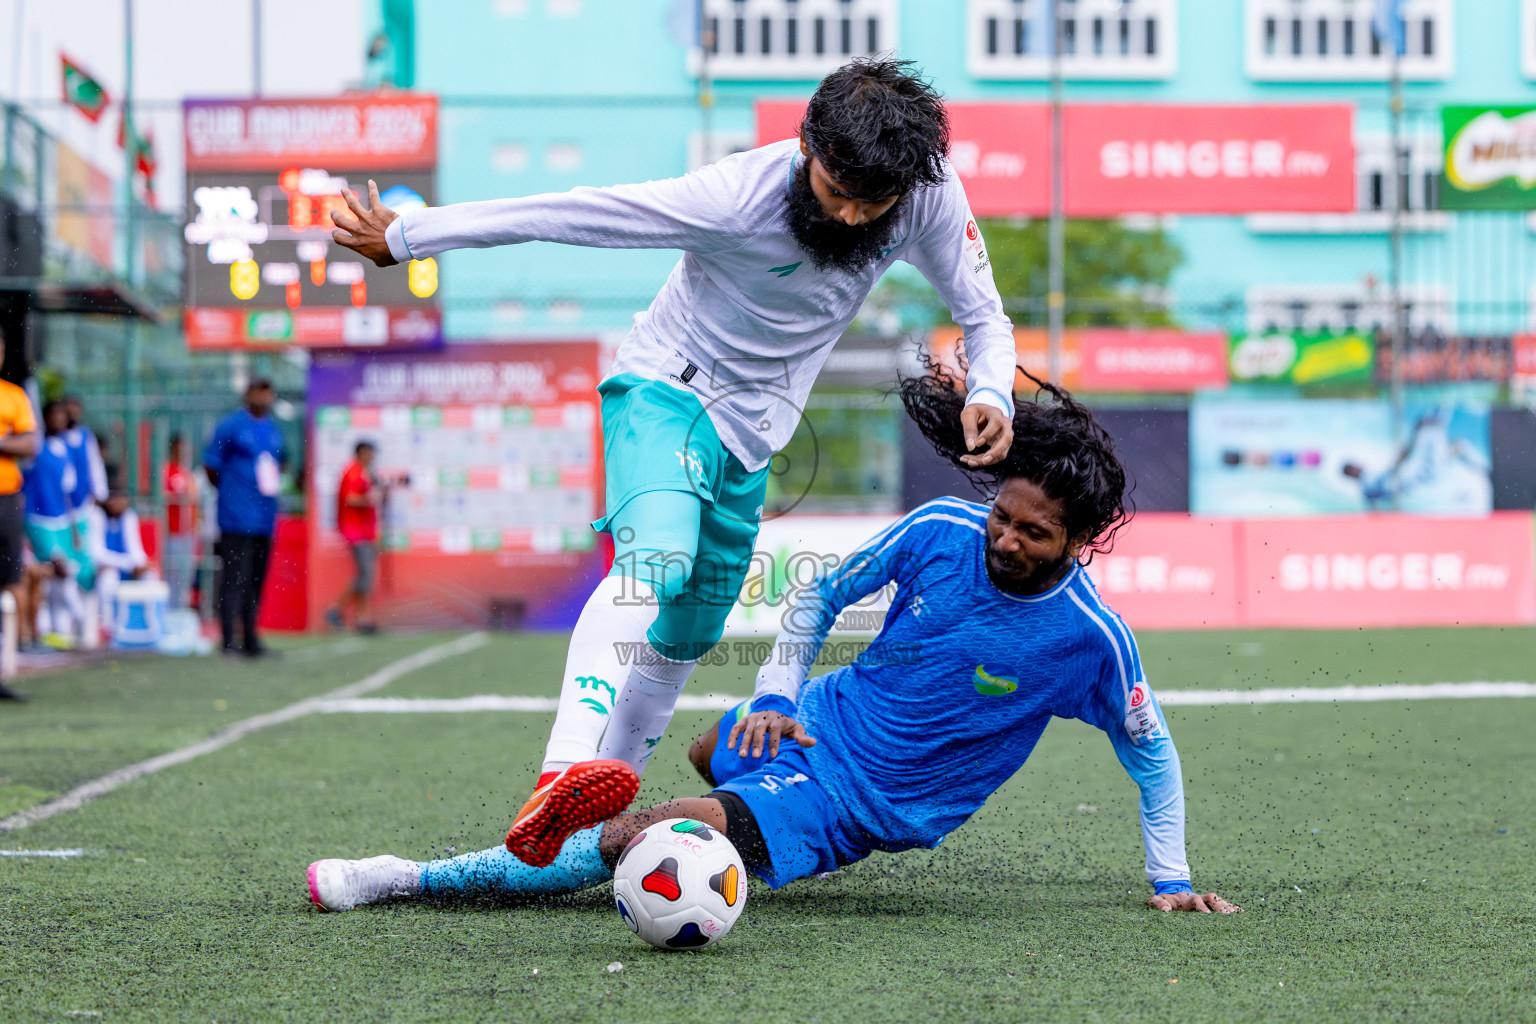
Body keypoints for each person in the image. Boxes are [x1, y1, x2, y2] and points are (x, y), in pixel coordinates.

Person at [331, 57, 1021, 867]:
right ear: (807, 147)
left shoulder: (927, 194)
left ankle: (588, 823)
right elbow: (569, 212)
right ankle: (562, 771)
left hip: (751, 437)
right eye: (839, 192)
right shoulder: (732, 196)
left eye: (876, 204)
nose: (853, 216)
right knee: (656, 560)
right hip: (666, 390)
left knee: (690, 632)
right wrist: (409, 237)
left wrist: (994, 395)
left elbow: (986, 316)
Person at [307, 370, 1239, 917]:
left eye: (1033, 535)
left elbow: (1153, 758)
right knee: (719, 747)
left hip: (862, 802)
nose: (1005, 539)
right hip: (816, 721)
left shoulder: (1091, 641)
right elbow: (816, 595)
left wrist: (1172, 878)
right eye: (1006, 515)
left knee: (636, 834)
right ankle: (738, 801)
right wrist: (781, 695)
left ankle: (408, 878)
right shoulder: (944, 531)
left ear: (1080, 541)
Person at [204, 379, 286, 658]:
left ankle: (251, 638)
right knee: (234, 578)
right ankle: (228, 640)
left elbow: (279, 463)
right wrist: (232, 493)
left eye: (268, 393)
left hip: (265, 516)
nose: (265, 398)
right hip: (236, 516)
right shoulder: (230, 425)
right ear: (248, 395)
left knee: (255, 580)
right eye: (259, 392)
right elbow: (211, 465)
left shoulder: (273, 429)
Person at [22, 401, 95, 650]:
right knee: (60, 568)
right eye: (56, 415)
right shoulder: (34, 445)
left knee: (59, 577)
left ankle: (56, 631)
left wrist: (74, 528)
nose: (60, 420)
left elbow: (68, 493)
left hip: (62, 520)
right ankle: (84, 625)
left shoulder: (64, 448)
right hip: (38, 519)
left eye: (64, 416)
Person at [0, 374, 39, 700]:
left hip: (6, 500)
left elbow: (29, 443)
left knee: (11, 577)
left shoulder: (12, 396)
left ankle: (11, 660)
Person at [325, 441, 383, 635]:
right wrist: (371, 498)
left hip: (364, 530)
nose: (373, 457)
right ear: (362, 453)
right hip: (355, 531)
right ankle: (339, 610)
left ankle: (360, 617)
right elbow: (351, 498)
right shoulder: (353, 472)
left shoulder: (365, 472)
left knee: (364, 575)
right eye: (371, 453)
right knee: (365, 574)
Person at [85, 490, 148, 615]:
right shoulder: (97, 516)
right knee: (107, 579)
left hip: (127, 569)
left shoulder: (129, 517)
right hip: (104, 571)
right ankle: (108, 624)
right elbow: (97, 554)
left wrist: (141, 564)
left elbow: (135, 548)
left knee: (150, 577)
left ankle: (142, 620)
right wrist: (127, 565)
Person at [161, 433, 199, 611]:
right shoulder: (167, 470)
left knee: (184, 578)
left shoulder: (187, 473)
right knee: (171, 575)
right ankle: (169, 610)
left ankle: (180, 611)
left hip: (186, 535)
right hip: (171, 533)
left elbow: (193, 500)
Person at [61, 395, 109, 516]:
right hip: (61, 501)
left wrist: (100, 494)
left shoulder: (85, 435)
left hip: (84, 501)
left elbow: (95, 465)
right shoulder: (57, 437)